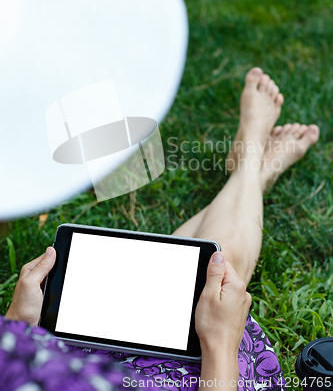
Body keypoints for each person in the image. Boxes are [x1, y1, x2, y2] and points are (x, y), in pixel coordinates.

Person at [2, 68, 320, 391]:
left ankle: (249, 174)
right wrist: (220, 344)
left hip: (80, 353)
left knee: (169, 272)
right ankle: (250, 166)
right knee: (222, 271)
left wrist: (18, 326)